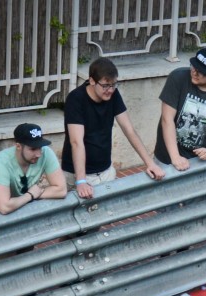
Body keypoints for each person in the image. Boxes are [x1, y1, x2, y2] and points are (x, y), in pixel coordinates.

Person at [61, 57, 164, 200]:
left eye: (114, 84)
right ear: (91, 81)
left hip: (105, 171)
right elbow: (76, 142)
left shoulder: (113, 94)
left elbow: (129, 129)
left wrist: (150, 163)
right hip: (77, 175)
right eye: (105, 86)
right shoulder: (76, 99)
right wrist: (81, 181)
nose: (110, 90)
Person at [154, 48, 206, 172]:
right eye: (193, 67)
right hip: (166, 159)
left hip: (197, 162)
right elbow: (167, 120)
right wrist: (175, 157)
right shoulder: (178, 77)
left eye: (202, 72)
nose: (195, 73)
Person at [0, 123, 67, 214]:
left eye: (40, 147)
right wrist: (30, 195)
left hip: (23, 201)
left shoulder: (46, 152)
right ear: (18, 146)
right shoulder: (0, 163)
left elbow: (61, 190)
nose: (39, 154)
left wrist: (33, 195)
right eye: (33, 149)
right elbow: (4, 207)